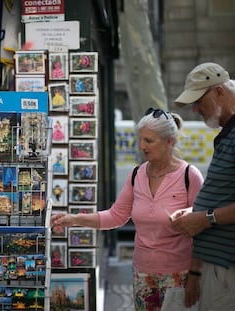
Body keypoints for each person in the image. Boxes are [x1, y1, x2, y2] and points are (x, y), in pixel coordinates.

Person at [51, 108, 204, 311]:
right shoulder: (136, 175)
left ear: (170, 142)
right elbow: (116, 215)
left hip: (180, 275)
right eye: (141, 140)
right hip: (143, 275)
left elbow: (203, 230)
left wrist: (195, 275)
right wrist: (73, 219)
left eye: (149, 141)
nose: (142, 146)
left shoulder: (189, 176)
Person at [173, 62, 235, 310]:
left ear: (220, 91)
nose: (195, 108)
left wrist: (205, 218)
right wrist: (196, 213)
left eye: (199, 100)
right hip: (218, 267)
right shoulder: (228, 133)